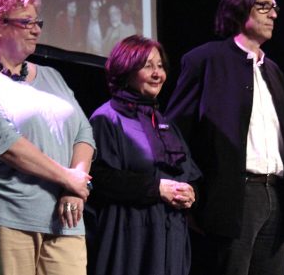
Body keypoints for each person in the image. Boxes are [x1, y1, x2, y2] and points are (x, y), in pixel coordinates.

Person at [166, 0, 284, 275]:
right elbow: (175, 134)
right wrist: (193, 191)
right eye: (264, 7)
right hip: (234, 198)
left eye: (275, 8)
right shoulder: (205, 61)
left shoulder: (273, 71)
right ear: (239, 9)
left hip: (277, 197)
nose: (273, 14)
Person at [0, 0, 96, 275]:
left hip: (66, 219)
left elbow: (84, 134)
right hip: (6, 216)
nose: (36, 30)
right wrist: (70, 179)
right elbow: (7, 145)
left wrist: (75, 188)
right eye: (26, 22)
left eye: (38, 22)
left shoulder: (53, 76)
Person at [85, 35, 202, 275]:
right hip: (130, 234)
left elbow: (187, 172)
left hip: (170, 234)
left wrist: (190, 193)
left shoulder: (164, 122)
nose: (157, 73)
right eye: (147, 66)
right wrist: (157, 189)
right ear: (125, 69)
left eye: (160, 66)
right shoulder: (107, 119)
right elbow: (99, 177)